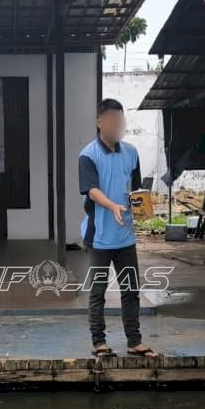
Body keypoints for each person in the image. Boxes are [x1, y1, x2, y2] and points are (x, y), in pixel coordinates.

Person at [77, 98, 161, 359]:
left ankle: (134, 342)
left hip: (125, 236)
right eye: (112, 120)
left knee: (131, 291)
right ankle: (99, 343)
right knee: (98, 292)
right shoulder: (88, 155)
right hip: (99, 237)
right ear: (99, 122)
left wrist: (142, 208)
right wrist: (112, 206)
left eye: (120, 121)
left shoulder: (131, 153)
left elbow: (135, 190)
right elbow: (91, 191)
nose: (117, 125)